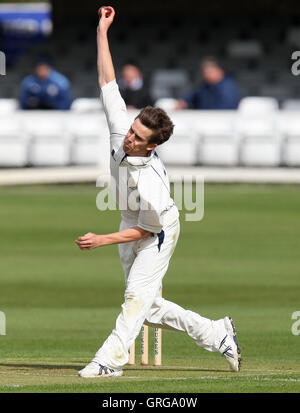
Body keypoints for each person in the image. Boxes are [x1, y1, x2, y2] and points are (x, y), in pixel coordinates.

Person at [76, 7, 241, 378]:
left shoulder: (149, 180)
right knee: (148, 306)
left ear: (152, 147)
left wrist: (101, 239)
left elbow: (148, 230)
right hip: (130, 218)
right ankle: (217, 333)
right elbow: (107, 81)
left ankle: (108, 362)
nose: (129, 137)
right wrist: (103, 32)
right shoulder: (122, 128)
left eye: (137, 137)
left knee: (136, 296)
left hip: (158, 228)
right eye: (132, 129)